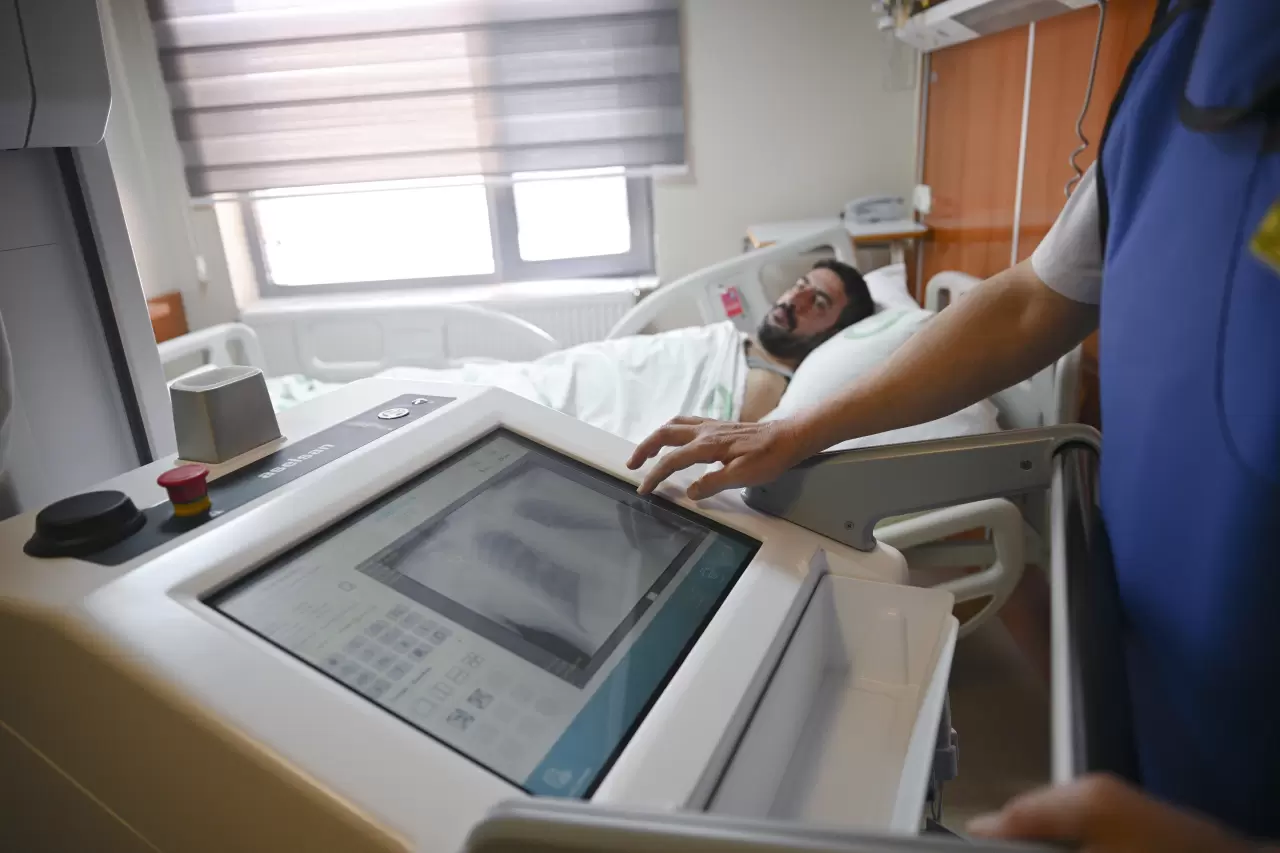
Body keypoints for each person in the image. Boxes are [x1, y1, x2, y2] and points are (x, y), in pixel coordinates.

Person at [628, 1, 1280, 848]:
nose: (793, 301)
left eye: (822, 297)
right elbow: (1030, 302)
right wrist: (799, 430)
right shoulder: (1169, 74)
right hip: (1149, 642)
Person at [357, 258, 875, 444]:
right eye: (801, 285)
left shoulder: (766, 386)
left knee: (434, 408)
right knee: (421, 390)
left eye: (818, 303)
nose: (794, 299)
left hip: (565, 409)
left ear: (831, 333)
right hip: (555, 377)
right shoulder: (728, 342)